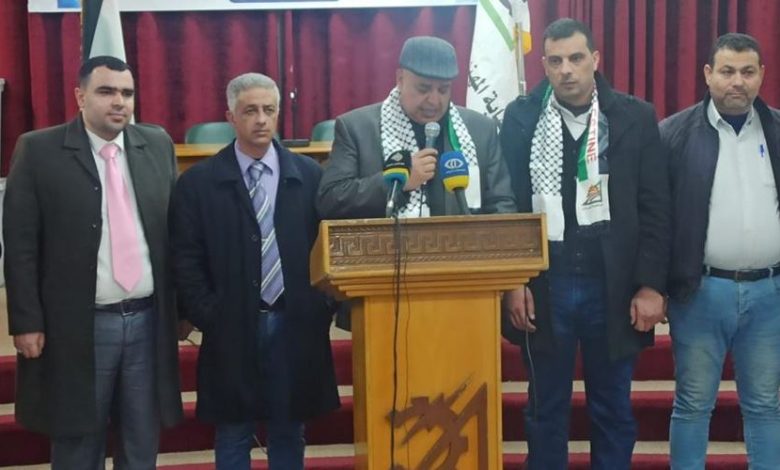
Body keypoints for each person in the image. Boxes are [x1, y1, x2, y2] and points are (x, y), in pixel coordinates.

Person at [499, 19, 671, 469]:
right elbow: (508, 204)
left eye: (576, 58)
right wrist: (513, 282)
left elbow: (656, 208)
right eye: (555, 61)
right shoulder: (520, 118)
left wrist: (651, 285)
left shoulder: (634, 117)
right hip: (545, 286)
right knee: (544, 409)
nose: (566, 70)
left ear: (595, 59)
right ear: (543, 65)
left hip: (613, 288)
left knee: (612, 409)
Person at [3, 56, 183, 469]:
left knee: (141, 441)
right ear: (80, 97)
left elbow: (175, 235)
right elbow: (21, 244)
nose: (119, 101)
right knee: (79, 443)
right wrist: (26, 321)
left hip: (147, 322)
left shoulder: (157, 145)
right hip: (79, 326)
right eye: (106, 91)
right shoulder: (39, 150)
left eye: (127, 93)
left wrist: (181, 311)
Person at [170, 73, 339, 470]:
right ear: (231, 116)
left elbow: (329, 248)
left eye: (269, 110)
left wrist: (320, 306)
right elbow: (185, 259)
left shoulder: (310, 176)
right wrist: (210, 315)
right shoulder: (198, 183)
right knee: (233, 431)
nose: (261, 120)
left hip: (295, 323)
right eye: (250, 111)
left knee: (289, 429)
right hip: (230, 325)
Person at [660, 33, 780, 469]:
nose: (738, 82)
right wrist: (655, 285)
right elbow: (657, 220)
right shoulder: (673, 134)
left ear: (762, 74)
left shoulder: (777, 130)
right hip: (700, 292)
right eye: (727, 71)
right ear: (708, 74)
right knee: (693, 404)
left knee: (765, 404)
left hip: (770, 294)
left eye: (748, 72)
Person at [317, 35, 516, 219]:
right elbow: (329, 201)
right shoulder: (357, 129)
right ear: (400, 80)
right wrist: (398, 182)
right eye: (424, 88)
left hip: (465, 244)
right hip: (389, 245)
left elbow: (502, 205)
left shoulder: (480, 130)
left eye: (443, 90)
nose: (434, 100)